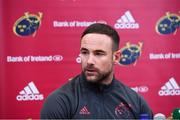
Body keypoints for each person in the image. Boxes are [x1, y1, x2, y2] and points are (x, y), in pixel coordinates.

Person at [40, 23, 153, 119]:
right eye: (85, 52)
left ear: (116, 57)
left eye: (98, 54)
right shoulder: (59, 102)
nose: (89, 61)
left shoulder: (137, 103)